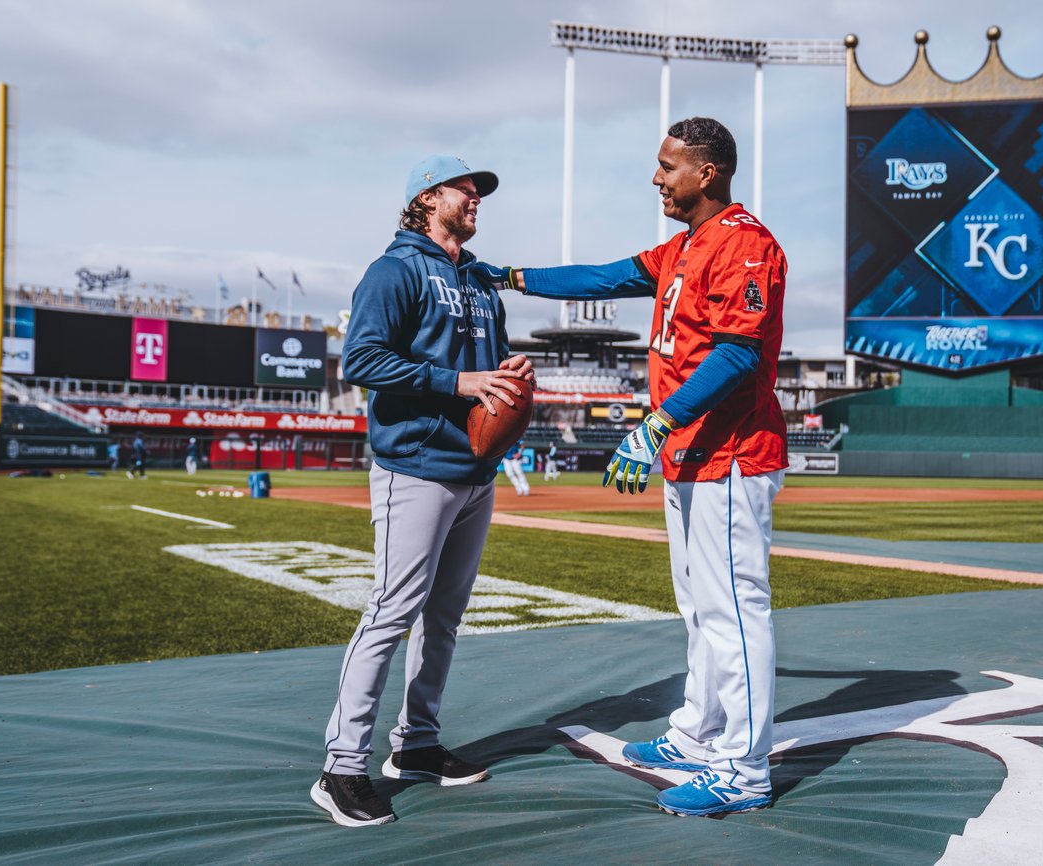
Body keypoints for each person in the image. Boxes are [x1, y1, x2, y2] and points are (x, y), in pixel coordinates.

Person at [474, 117, 787, 817]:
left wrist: (658, 421)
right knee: (700, 606)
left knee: (734, 611)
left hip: (732, 453)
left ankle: (744, 768)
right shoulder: (686, 246)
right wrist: (514, 275)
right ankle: (700, 734)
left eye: (668, 166)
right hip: (690, 455)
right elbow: (609, 274)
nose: (657, 177)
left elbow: (738, 355)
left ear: (707, 173)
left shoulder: (746, 245)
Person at [312, 154, 535, 828]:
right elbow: (363, 360)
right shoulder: (395, 269)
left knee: (445, 617)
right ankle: (341, 766)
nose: (476, 199)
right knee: (392, 610)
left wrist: (506, 373)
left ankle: (416, 745)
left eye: (478, 192)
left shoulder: (477, 278)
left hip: (473, 471)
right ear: (425, 198)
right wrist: (460, 383)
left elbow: (482, 371)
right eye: (465, 190)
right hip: (413, 465)